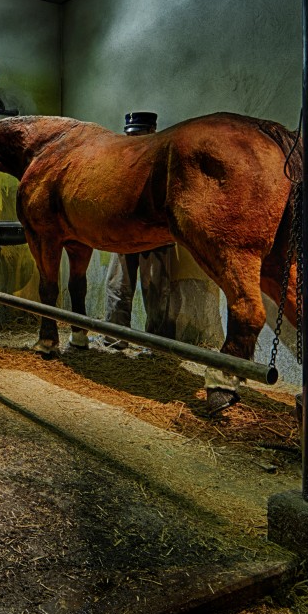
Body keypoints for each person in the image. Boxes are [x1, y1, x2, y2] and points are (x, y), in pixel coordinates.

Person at [100, 112, 238, 416]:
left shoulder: (163, 163)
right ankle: (113, 342)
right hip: (124, 235)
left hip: (155, 237)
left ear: (152, 132)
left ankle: (157, 347)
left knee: (156, 291)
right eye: (131, 134)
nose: (135, 139)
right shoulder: (120, 162)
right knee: (117, 287)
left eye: (140, 134)